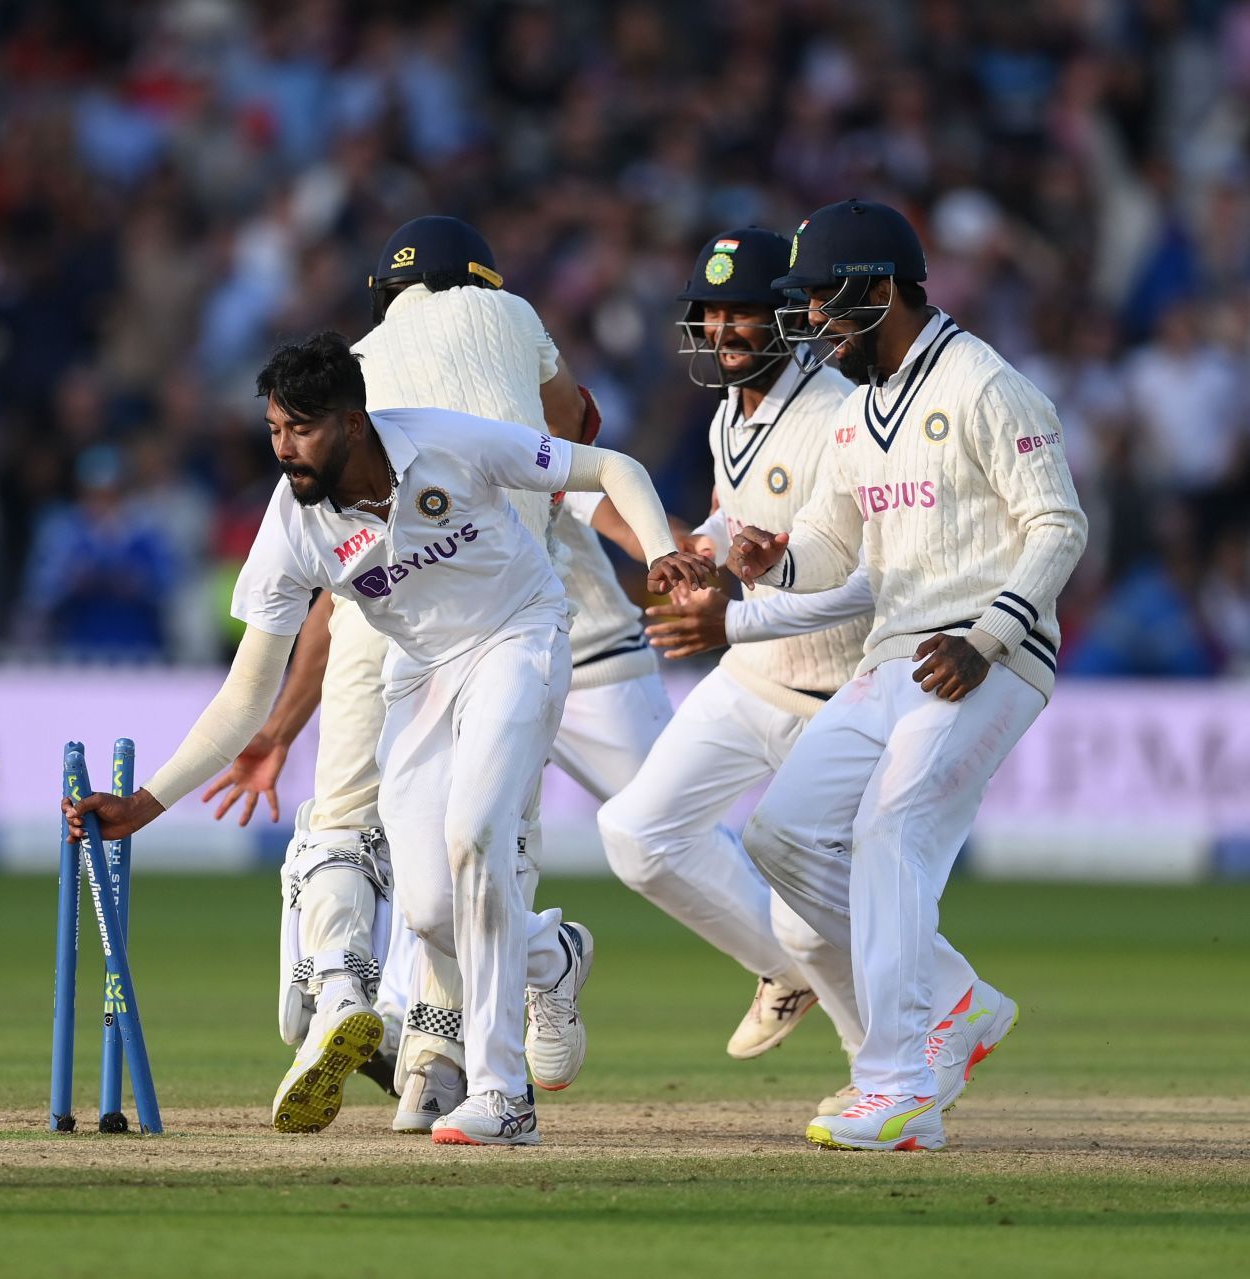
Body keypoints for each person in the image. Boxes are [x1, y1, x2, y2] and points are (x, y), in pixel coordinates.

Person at [67, 332, 713, 1146]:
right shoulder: (292, 523)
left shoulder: (445, 440)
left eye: (300, 430)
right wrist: (147, 803)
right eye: (272, 430)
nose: (284, 450)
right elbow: (247, 689)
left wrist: (659, 553)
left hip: (520, 635)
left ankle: (502, 1092)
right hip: (418, 675)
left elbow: (614, 466)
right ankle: (550, 955)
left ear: (352, 422)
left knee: (475, 834)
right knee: (429, 907)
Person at [200, 216, 668, 1135]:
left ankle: (431, 1052)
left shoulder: (357, 371)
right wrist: (660, 545)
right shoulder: (509, 316)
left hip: (493, 618)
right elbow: (579, 439)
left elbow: (335, 599)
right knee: (459, 866)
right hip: (460, 606)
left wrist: (275, 731)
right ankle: (519, 981)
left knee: (393, 830)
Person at [728, 199, 1087, 1151]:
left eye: (824, 303)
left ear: (882, 289)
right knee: (782, 835)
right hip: (894, 654)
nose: (810, 324)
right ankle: (955, 998)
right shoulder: (854, 415)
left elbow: (1059, 524)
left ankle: (894, 1082)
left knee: (891, 834)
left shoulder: (985, 385)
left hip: (985, 657)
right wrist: (772, 561)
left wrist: (990, 635)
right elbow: (835, 544)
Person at [594, 228, 870, 1114]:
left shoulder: (838, 414)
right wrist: (693, 559)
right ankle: (782, 971)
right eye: (710, 312)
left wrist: (737, 599)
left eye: (742, 310)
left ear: (790, 313)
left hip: (836, 697)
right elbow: (727, 518)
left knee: (829, 905)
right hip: (752, 677)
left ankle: (885, 1071)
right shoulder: (729, 416)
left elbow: (852, 566)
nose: (722, 328)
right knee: (637, 833)